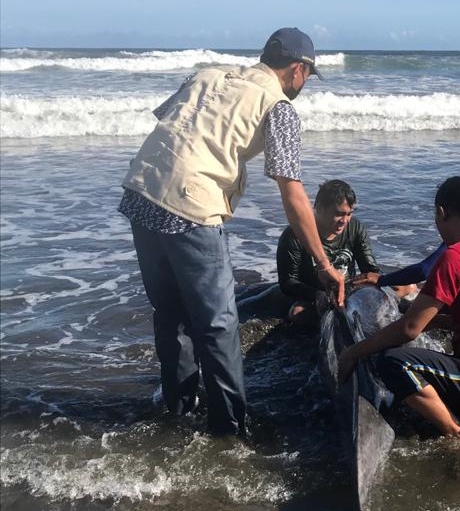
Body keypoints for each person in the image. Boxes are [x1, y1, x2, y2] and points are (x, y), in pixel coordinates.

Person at [118, 27, 345, 436]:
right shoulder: (278, 107)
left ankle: (179, 409)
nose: (306, 84)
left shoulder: (207, 74)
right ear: (298, 68)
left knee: (171, 315)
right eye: (308, 75)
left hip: (140, 194)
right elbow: (292, 192)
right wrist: (323, 262)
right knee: (218, 325)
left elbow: (173, 124)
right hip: (190, 207)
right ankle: (231, 428)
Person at [339, 176, 460, 436]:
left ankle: (456, 433)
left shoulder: (456, 256)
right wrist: (432, 321)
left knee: (394, 363)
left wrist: (353, 352)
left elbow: (409, 329)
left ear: (441, 212)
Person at [276, 179, 414, 324]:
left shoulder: (355, 228)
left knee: (407, 287)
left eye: (349, 214)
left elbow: (369, 269)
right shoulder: (294, 235)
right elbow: (288, 282)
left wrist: (376, 287)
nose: (345, 220)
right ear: (319, 208)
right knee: (298, 313)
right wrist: (318, 295)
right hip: (316, 294)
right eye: (338, 214)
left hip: (350, 288)